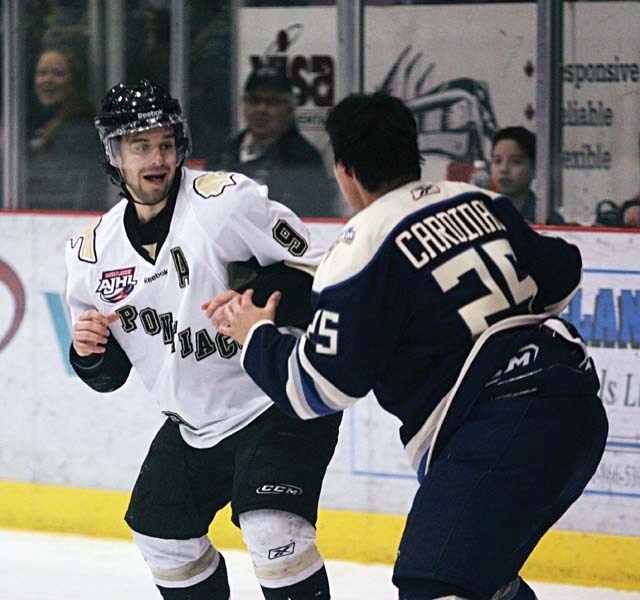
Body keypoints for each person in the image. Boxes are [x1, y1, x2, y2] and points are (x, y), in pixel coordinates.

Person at [205, 92, 609, 600]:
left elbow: (317, 392)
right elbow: (564, 271)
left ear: (344, 170)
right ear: (413, 153)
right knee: (479, 577)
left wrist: (254, 335)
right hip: (577, 410)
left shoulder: (362, 247)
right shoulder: (481, 202)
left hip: (500, 424)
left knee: (432, 580)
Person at [64, 79, 341, 600]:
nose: (157, 157)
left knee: (272, 532)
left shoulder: (224, 202)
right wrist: (88, 352)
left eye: (165, 144)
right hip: (194, 424)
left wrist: (259, 293)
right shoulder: (90, 255)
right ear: (114, 155)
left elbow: (320, 271)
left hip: (278, 399)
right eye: (141, 146)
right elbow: (108, 376)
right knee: (160, 534)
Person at [209, 65, 339, 217]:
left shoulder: (304, 158)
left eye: (272, 102)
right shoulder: (226, 151)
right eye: (254, 100)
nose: (261, 109)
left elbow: (313, 219)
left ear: (290, 109)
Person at [27, 45, 108, 211]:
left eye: (58, 74)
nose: (47, 80)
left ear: (75, 82)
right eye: (42, 73)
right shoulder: (29, 121)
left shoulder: (81, 129)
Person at [490, 126, 564, 225]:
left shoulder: (548, 218)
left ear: (534, 168)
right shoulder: (478, 212)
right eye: (497, 161)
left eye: (516, 162)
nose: (504, 169)